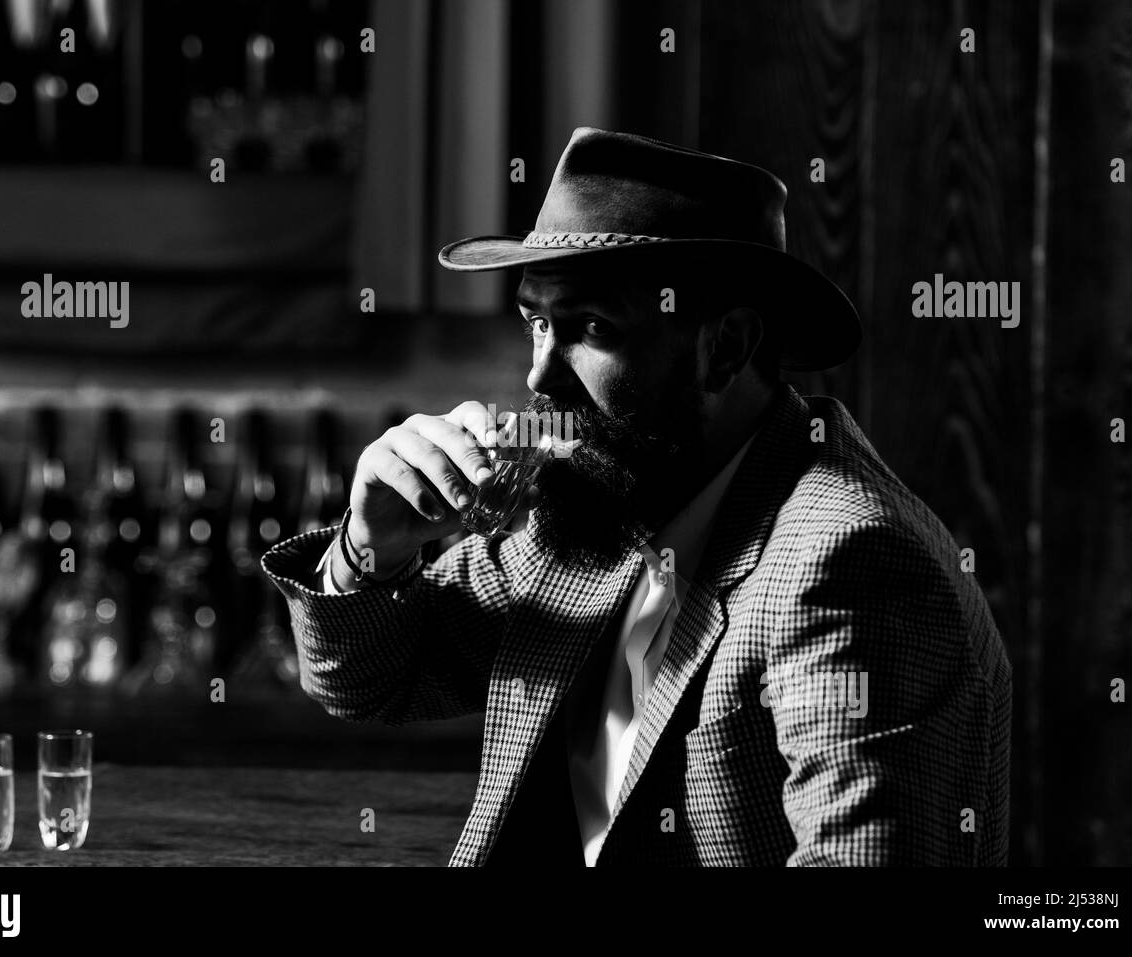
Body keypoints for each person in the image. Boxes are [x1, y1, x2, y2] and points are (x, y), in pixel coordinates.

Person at [263, 127, 1012, 866]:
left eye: (592, 327)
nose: (539, 379)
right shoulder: (609, 499)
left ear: (725, 348)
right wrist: (373, 546)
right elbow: (368, 682)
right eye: (536, 323)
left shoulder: (850, 565)